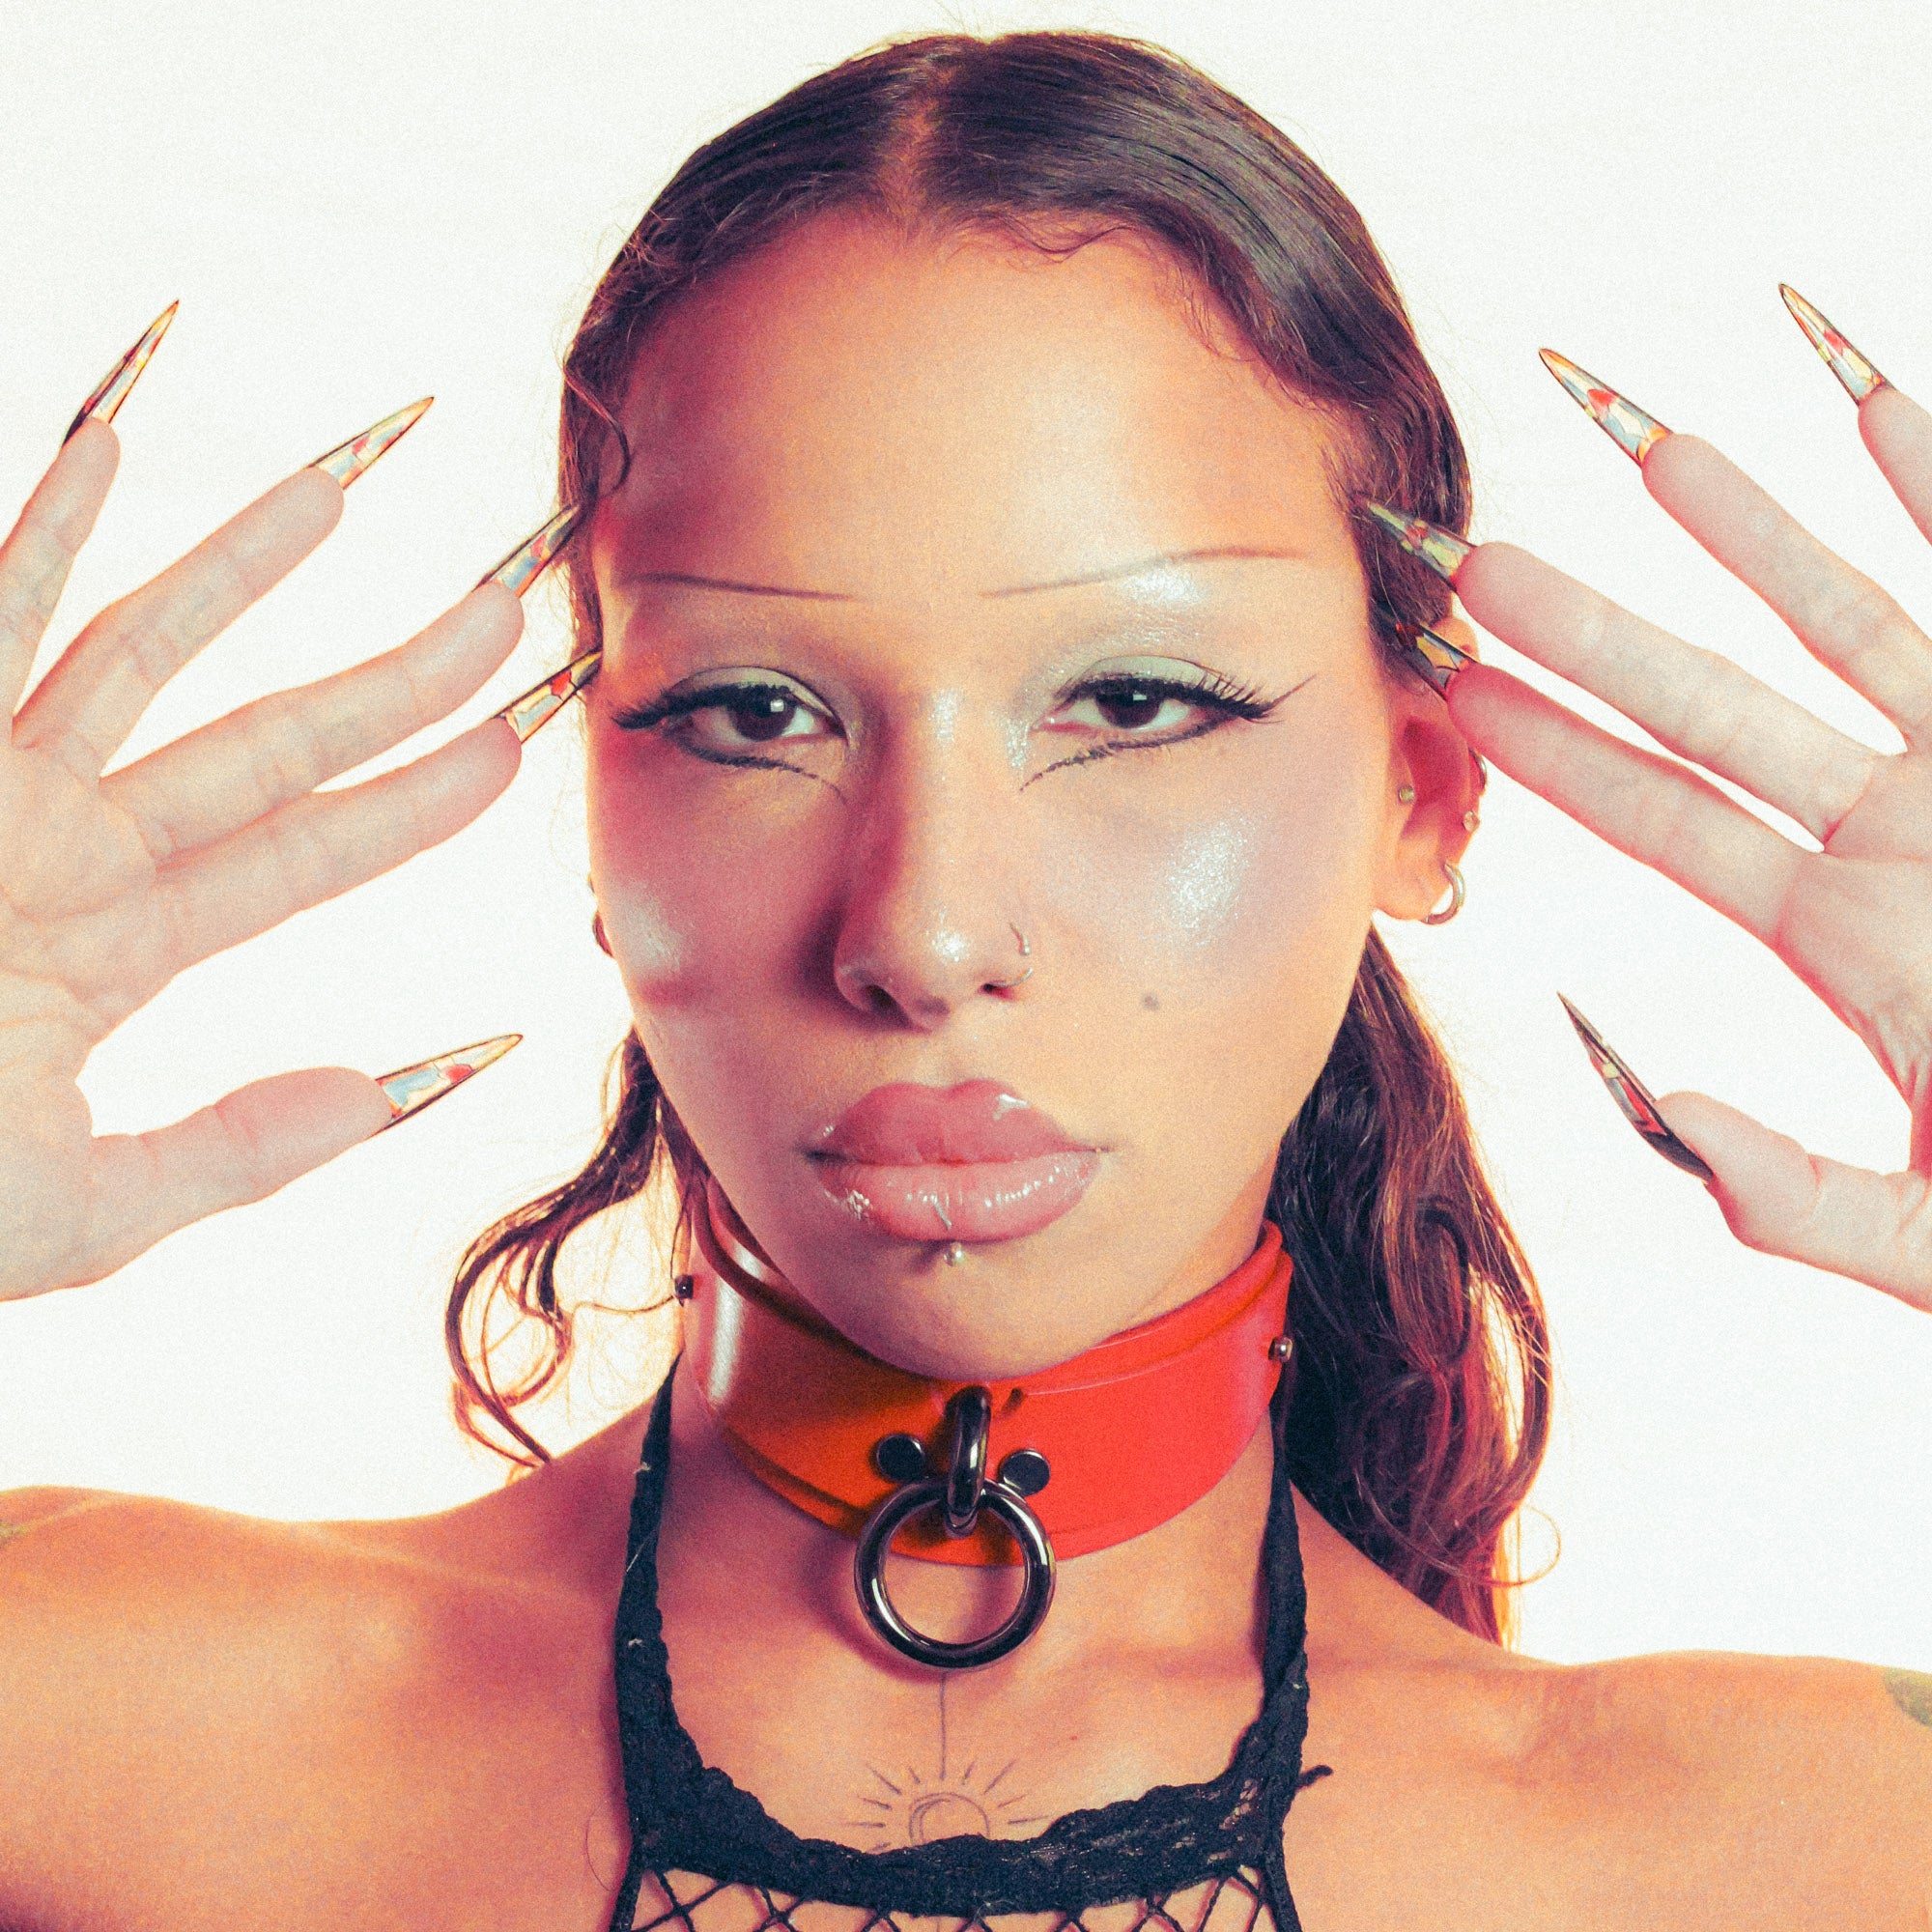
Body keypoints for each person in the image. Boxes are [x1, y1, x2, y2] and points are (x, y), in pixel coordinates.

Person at [1, 29, 1927, 1929]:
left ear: (1418, 796)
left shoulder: (1814, 1850)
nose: (920, 934)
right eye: (752, 713)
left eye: (1136, 699)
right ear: (597, 811)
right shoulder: (85, 1734)